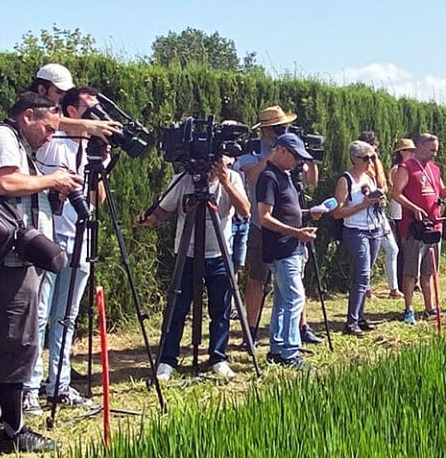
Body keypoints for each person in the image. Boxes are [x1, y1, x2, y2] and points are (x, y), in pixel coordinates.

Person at [0, 93, 79, 453]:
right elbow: (5, 184)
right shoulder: (2, 137)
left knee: (2, 340)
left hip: (12, 256)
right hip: (9, 258)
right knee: (20, 341)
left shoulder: (18, 144)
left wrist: (53, 189)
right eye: (47, 128)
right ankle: (14, 432)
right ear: (28, 115)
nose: (50, 137)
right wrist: (52, 180)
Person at [135, 154, 250, 381]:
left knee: (221, 309)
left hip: (219, 253)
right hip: (186, 253)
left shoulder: (233, 178)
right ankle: (167, 361)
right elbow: (165, 209)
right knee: (177, 308)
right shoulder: (183, 179)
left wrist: (225, 182)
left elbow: (245, 211)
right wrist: (152, 218)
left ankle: (218, 358)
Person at [25, 85, 102, 416]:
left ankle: (59, 383)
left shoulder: (91, 149)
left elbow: (98, 198)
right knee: (39, 315)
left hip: (81, 239)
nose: (95, 117)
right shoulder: (51, 142)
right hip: (52, 238)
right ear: (70, 112)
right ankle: (29, 387)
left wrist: (99, 161)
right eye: (89, 110)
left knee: (67, 317)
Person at [238, 106, 318, 336]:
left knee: (295, 277)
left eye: (285, 126)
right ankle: (250, 329)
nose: (283, 129)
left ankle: (301, 326)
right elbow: (252, 177)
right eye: (278, 127)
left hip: (291, 225)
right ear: (265, 130)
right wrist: (272, 156)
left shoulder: (291, 152)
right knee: (258, 278)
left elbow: (311, 181)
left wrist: (308, 156)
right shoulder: (252, 149)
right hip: (260, 224)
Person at [252, 133, 328, 370]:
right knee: (295, 298)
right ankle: (288, 351)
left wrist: (307, 214)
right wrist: (296, 233)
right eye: (295, 157)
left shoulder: (284, 176)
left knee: (284, 299)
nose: (297, 163)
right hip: (282, 247)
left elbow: (287, 211)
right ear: (281, 150)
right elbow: (264, 217)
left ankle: (277, 348)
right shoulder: (268, 177)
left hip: (290, 246)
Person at [333, 141, 389, 335]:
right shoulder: (345, 180)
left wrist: (379, 201)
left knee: (366, 275)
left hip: (374, 229)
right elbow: (337, 212)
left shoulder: (370, 177)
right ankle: (351, 322)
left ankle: (360, 316)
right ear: (354, 158)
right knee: (363, 274)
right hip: (356, 231)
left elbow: (374, 201)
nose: (370, 161)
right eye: (366, 158)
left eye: (373, 157)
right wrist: (363, 205)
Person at [391, 132, 446, 325]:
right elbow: (395, 194)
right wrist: (414, 207)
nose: (434, 154)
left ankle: (430, 308)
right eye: (431, 150)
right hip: (415, 227)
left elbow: (441, 191)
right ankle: (408, 309)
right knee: (411, 271)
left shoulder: (434, 169)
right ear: (420, 147)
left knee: (429, 270)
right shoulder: (406, 167)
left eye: (436, 151)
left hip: (434, 224)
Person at [360, 131, 403, 299]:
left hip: (380, 212)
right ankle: (366, 289)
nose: (373, 155)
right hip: (366, 213)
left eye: (375, 150)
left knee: (392, 248)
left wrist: (380, 194)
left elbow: (383, 186)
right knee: (368, 253)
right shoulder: (360, 169)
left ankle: (393, 289)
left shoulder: (376, 163)